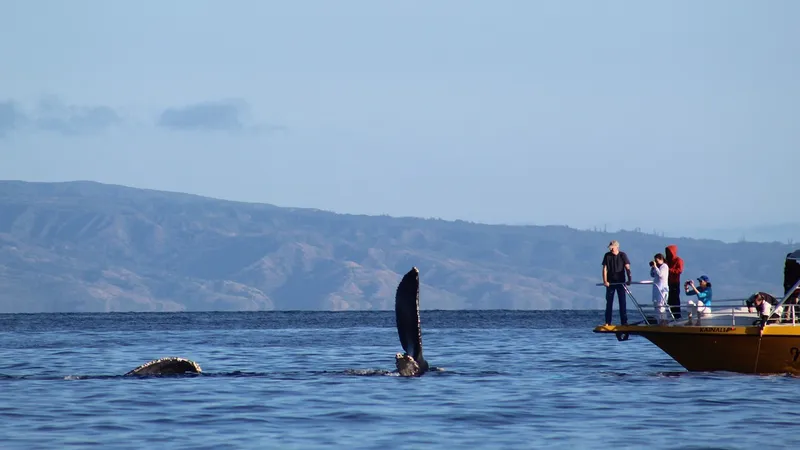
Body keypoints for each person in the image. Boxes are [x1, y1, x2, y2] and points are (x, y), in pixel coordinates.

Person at [602, 240, 632, 326]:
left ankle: (624, 322)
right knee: (609, 302)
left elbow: (627, 267)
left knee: (622, 302)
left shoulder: (622, 255)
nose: (611, 249)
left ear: (617, 247)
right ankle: (608, 322)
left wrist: (629, 279)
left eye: (612, 247)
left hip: (620, 282)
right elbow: (604, 269)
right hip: (610, 283)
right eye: (610, 248)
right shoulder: (607, 256)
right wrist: (605, 281)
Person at [649, 253, 670, 325]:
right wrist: (653, 267)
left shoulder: (664, 266)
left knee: (661, 306)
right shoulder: (657, 267)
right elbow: (652, 275)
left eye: (657, 261)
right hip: (657, 289)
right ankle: (660, 321)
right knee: (656, 305)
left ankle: (664, 321)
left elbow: (660, 274)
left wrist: (656, 267)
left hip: (662, 289)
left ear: (661, 259)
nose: (656, 262)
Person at [665, 245, 684, 320]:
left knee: (675, 299)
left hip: (675, 283)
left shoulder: (678, 260)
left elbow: (679, 270)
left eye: (669, 252)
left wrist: (669, 270)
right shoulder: (667, 261)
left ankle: (677, 316)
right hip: (667, 283)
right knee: (669, 300)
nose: (668, 254)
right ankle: (672, 316)